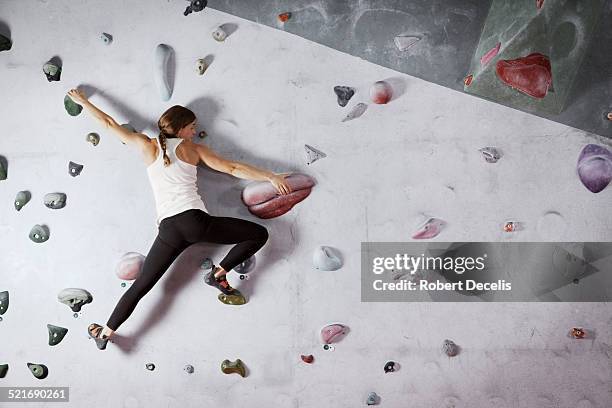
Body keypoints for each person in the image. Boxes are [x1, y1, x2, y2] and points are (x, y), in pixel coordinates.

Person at [66, 89, 292, 350]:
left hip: (169, 230)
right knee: (258, 234)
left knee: (142, 285)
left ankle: (105, 332)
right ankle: (219, 273)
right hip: (194, 222)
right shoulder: (193, 149)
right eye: (192, 127)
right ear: (182, 127)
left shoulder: (146, 145)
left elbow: (109, 124)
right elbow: (232, 168)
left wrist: (83, 101)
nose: (194, 131)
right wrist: (271, 177)